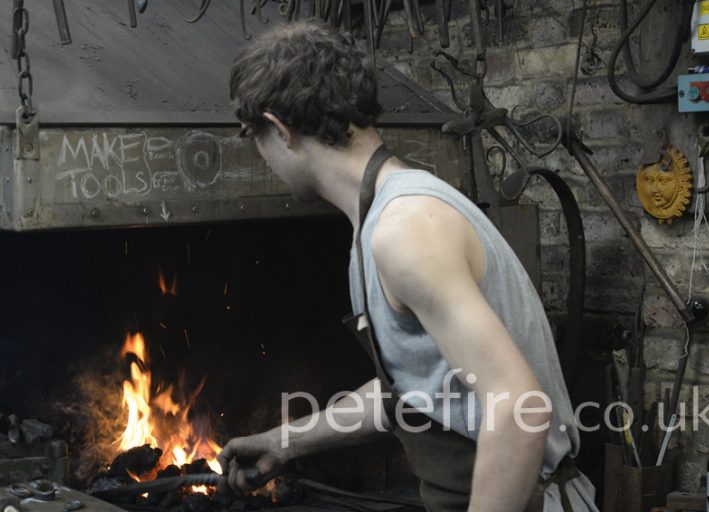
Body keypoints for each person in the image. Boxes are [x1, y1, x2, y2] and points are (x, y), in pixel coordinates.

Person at [218, 20, 598, 512]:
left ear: (281, 129)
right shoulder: (380, 217)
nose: (262, 156)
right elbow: (419, 392)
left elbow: (518, 407)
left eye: (256, 137)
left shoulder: (405, 228)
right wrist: (283, 442)